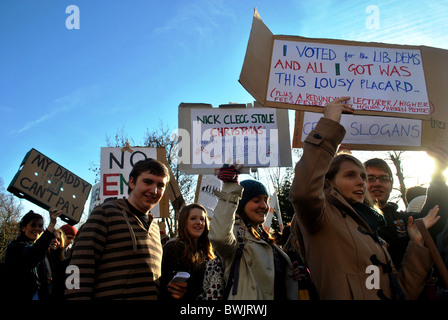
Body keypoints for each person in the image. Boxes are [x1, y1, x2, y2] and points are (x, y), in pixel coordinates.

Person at [289, 97, 440, 300]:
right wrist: (329, 124)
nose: (362, 182)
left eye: (362, 176)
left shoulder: (372, 231)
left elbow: (400, 292)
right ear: (329, 182)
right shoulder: (321, 219)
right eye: (350, 175)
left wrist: (416, 243)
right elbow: (304, 191)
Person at [65, 158, 170, 300]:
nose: (154, 190)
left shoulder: (155, 228)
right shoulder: (105, 213)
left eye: (160, 185)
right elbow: (77, 269)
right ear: (132, 182)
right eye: (148, 182)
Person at [209, 167, 298, 300]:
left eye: (265, 200)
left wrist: (293, 273)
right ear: (241, 205)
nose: (264, 206)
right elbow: (220, 237)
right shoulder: (236, 235)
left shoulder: (266, 239)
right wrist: (230, 189)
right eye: (256, 201)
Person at [364, 146, 448, 270]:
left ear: (391, 185)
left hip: (403, 286)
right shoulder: (347, 215)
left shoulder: (404, 221)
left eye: (384, 179)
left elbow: (434, 214)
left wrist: (438, 174)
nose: (377, 184)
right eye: (370, 179)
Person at [4, 208, 63, 300]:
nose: (37, 229)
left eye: (40, 226)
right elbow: (33, 255)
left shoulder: (40, 250)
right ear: (23, 228)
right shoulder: (16, 247)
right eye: (33, 225)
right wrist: (52, 224)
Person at [160, 203, 214, 300]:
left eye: (202, 219)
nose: (199, 222)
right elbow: (169, 288)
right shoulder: (173, 248)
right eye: (193, 218)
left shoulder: (205, 252)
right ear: (184, 222)